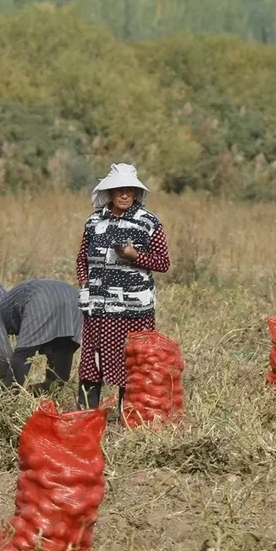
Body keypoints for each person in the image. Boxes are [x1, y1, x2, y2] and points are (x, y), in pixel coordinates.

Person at [76, 164, 171, 411]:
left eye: (130, 190)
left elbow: (163, 262)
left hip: (133, 311)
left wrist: (134, 255)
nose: (125, 195)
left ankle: (129, 418)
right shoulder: (94, 221)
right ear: (109, 192)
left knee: (133, 365)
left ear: (136, 192)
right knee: (91, 365)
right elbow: (82, 258)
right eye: (119, 189)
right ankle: (86, 417)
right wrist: (85, 283)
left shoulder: (148, 222)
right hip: (97, 308)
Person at [0, 280, 82, 394]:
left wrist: (5, 384)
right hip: (74, 298)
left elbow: (6, 356)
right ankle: (49, 395)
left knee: (23, 354)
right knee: (57, 380)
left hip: (40, 300)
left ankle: (10, 397)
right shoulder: (10, 301)